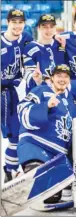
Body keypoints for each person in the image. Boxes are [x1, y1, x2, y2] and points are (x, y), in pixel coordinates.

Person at [16, 64, 75, 206]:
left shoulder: (72, 102)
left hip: (58, 154)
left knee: (51, 196)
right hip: (36, 144)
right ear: (52, 78)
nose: (62, 79)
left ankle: (30, 180)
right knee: (37, 170)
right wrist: (46, 106)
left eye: (66, 76)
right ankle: (25, 176)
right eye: (59, 76)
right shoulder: (41, 90)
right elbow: (22, 109)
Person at [1, 8, 33, 181]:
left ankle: (9, 172)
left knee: (15, 136)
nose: (17, 25)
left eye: (20, 22)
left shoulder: (26, 38)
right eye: (14, 22)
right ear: (8, 22)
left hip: (12, 94)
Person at [22, 14, 66, 93]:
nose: (48, 30)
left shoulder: (60, 44)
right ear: (38, 28)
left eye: (51, 27)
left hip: (60, 93)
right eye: (45, 27)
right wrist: (38, 78)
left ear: (55, 28)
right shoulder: (29, 48)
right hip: (38, 93)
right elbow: (28, 75)